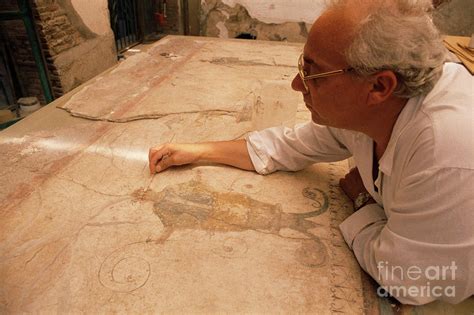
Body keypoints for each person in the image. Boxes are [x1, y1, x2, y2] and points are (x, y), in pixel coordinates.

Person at [149, 0, 473, 305]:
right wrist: (197, 151)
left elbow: (411, 281)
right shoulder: (371, 109)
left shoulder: (445, 149)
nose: (296, 84)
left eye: (313, 73)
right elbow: (288, 146)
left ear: (378, 87)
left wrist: (362, 200)